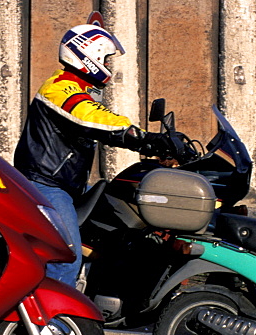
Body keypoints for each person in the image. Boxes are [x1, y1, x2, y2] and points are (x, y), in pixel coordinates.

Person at [13, 22, 169, 286]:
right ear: (90, 56)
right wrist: (141, 137)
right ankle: (53, 321)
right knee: (65, 257)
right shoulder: (60, 88)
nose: (109, 65)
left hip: (68, 185)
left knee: (121, 222)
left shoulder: (77, 88)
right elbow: (92, 118)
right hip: (45, 185)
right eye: (106, 58)